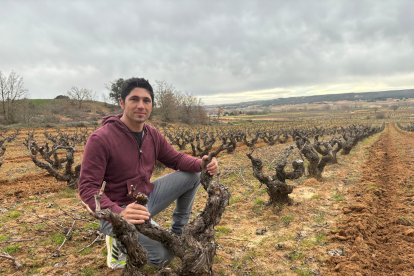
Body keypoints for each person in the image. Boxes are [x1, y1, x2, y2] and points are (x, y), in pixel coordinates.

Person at [78, 77, 218, 268]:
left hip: (144, 198)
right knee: (163, 258)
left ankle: (178, 232)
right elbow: (87, 188)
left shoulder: (151, 134)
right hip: (115, 212)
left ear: (152, 105)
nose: (141, 105)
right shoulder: (101, 139)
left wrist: (202, 163)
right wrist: (120, 213)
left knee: (192, 176)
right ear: (122, 103)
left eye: (146, 100)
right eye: (134, 99)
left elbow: (175, 159)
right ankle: (118, 243)